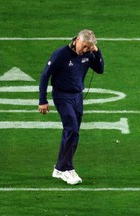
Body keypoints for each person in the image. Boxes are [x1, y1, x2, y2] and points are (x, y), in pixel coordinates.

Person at [38, 29, 104, 185]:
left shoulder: (88, 54)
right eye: (84, 46)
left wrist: (97, 52)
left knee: (74, 133)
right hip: (62, 96)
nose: (86, 50)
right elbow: (45, 75)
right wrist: (42, 100)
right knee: (72, 129)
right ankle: (67, 168)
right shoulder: (61, 54)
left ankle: (60, 168)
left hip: (77, 97)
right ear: (77, 40)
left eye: (89, 47)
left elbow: (100, 69)